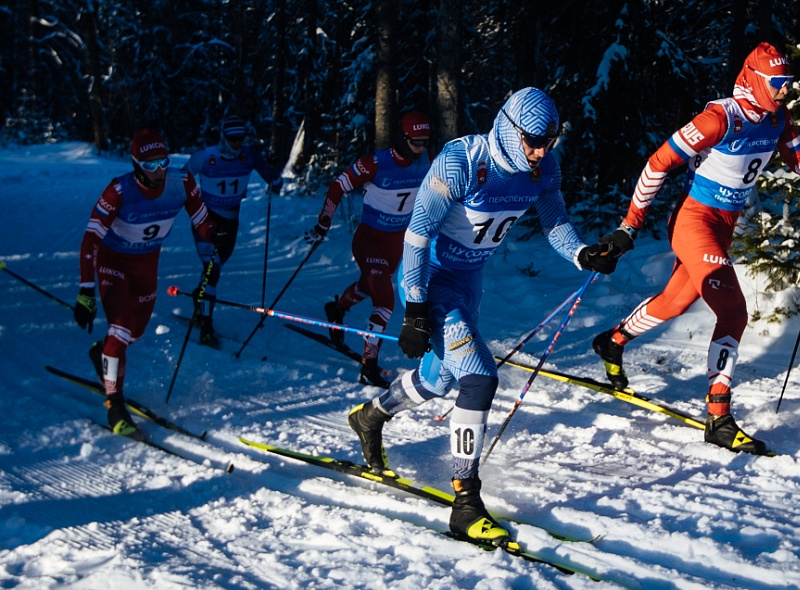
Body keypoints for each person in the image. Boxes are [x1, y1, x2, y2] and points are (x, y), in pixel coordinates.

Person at [346, 88, 618, 544]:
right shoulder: (462, 162)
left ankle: (371, 416)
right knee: (478, 377)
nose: (539, 151)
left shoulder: (543, 167)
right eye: (532, 140)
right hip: (432, 279)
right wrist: (414, 308)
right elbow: (416, 235)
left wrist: (583, 254)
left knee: (440, 379)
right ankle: (465, 501)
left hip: (470, 281)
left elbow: (555, 222)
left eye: (548, 141)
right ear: (510, 129)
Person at [588, 42, 800, 455]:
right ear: (756, 79)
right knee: (734, 311)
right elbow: (656, 163)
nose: (785, 90)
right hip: (694, 220)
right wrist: (629, 226)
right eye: (778, 83)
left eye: (789, 83)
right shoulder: (721, 118)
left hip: (723, 225)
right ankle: (718, 417)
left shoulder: (777, 117)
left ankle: (613, 340)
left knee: (674, 301)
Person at [74, 129, 215, 435]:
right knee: (121, 328)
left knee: (134, 332)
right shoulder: (119, 191)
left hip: (146, 264)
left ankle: (103, 352)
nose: (159, 170)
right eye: (150, 165)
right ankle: (115, 405)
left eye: (163, 161)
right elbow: (90, 240)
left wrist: (214, 235)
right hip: (114, 262)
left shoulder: (183, 182)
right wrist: (86, 292)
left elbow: (202, 220)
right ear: (136, 164)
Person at [305, 111, 434, 387]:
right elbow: (339, 185)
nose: (421, 148)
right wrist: (324, 220)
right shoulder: (375, 163)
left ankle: (337, 308)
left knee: (369, 285)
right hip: (369, 240)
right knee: (385, 300)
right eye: (416, 142)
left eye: (425, 142)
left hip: (398, 244)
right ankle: (369, 366)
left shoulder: (428, 162)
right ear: (402, 138)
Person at [183, 114, 283, 345]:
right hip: (205, 219)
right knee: (212, 269)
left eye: (240, 138)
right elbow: (181, 180)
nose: (237, 143)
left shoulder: (250, 155)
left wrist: (272, 166)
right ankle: (206, 326)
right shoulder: (206, 156)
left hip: (230, 222)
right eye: (232, 138)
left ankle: (201, 298)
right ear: (223, 137)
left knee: (216, 267)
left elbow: (276, 184)